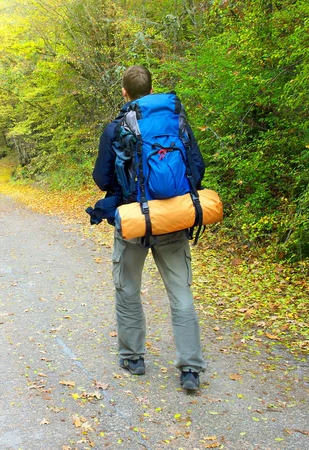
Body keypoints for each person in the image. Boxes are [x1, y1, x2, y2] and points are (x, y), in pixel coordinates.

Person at [91, 65, 207, 391]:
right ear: (152, 89)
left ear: (124, 92)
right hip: (172, 219)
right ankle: (190, 370)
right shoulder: (176, 120)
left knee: (128, 288)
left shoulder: (116, 128)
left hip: (134, 221)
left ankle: (133, 357)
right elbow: (196, 167)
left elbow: (102, 178)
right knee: (180, 293)